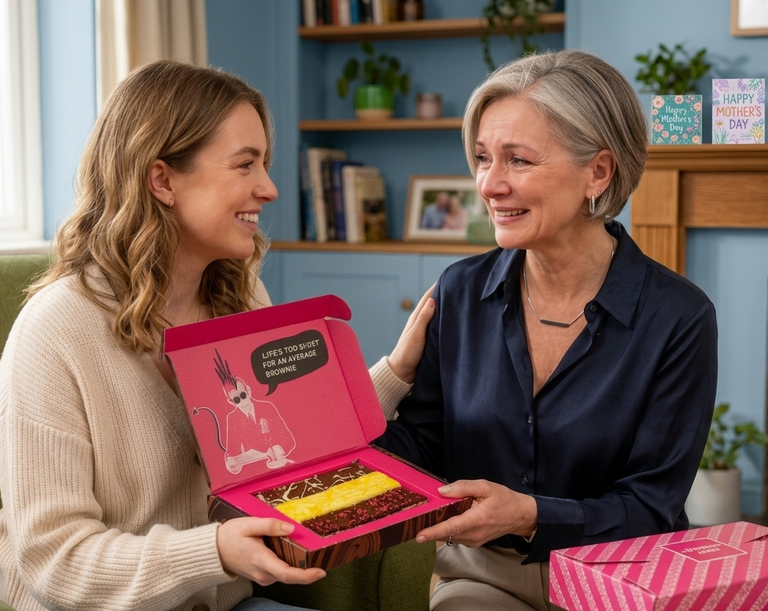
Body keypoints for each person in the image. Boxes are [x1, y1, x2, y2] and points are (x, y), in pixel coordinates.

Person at [0, 60, 433, 611]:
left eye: (265, 164)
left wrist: (396, 371)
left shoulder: (241, 299)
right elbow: (53, 561)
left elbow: (301, 441)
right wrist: (216, 552)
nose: (270, 189)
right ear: (162, 180)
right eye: (245, 165)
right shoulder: (56, 331)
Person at [375, 49, 718, 611]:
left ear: (598, 172)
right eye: (483, 158)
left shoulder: (679, 318)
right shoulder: (459, 292)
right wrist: (380, 380)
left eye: (519, 161)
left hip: (619, 577)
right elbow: (419, 450)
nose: (489, 184)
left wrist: (533, 515)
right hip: (481, 574)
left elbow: (652, 505)